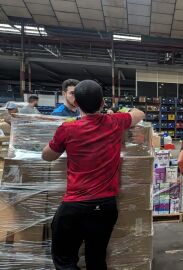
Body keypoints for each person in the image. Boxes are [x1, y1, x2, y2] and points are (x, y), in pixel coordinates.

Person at [41, 80, 145, 269]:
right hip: (105, 206)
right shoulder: (114, 122)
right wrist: (120, 111)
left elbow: (47, 156)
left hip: (74, 205)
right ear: (103, 103)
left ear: (77, 104)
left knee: (65, 259)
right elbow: (139, 114)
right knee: (96, 259)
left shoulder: (67, 128)